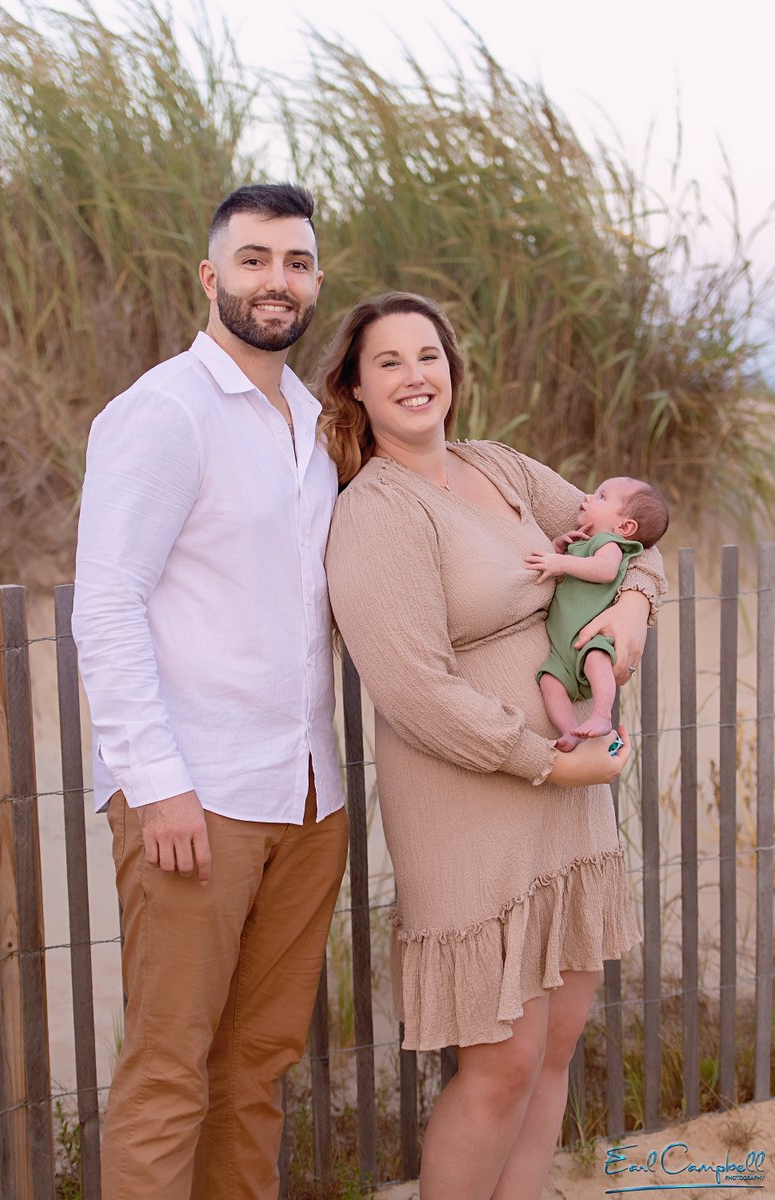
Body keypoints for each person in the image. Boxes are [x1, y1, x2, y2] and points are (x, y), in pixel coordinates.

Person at [317, 292, 666, 1200]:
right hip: (477, 793)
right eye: (387, 361)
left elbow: (634, 539)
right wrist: (549, 759)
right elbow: (414, 691)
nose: (413, 375)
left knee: (556, 1046)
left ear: (452, 373)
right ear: (355, 385)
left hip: (570, 793)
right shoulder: (374, 512)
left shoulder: (501, 467)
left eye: (427, 356)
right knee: (502, 1063)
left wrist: (631, 607)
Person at [71, 183, 349, 1200]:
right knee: (168, 1070)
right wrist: (155, 784)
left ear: (315, 281)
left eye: (297, 262)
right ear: (210, 276)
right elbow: (105, 606)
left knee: (257, 1065)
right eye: (255, 259)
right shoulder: (162, 413)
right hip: (197, 800)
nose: (277, 280)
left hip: (309, 796)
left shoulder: (317, 425)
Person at [524, 476, 669, 750]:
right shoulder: (584, 543)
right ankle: (570, 732)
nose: (588, 497)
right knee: (549, 681)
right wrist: (557, 548)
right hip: (562, 651)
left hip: (592, 638)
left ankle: (602, 715)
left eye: (601, 496)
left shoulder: (608, 544)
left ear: (624, 527)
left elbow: (606, 570)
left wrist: (560, 561)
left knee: (596, 660)